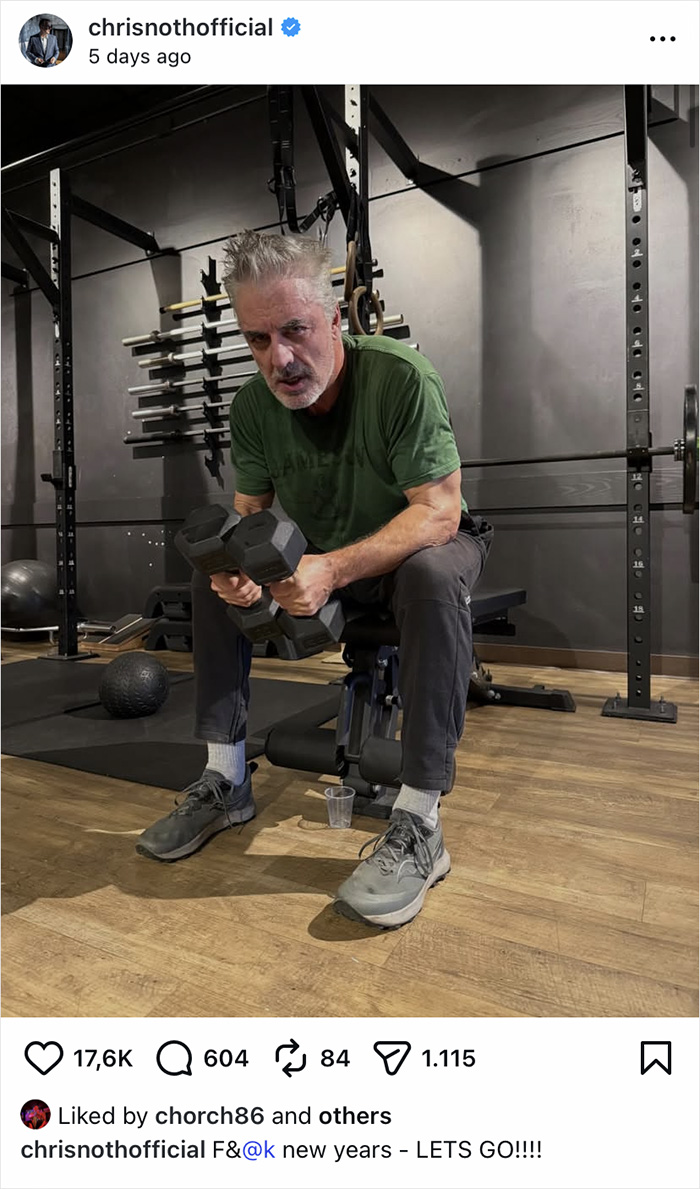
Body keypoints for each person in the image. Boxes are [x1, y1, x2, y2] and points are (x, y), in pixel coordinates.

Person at [137, 232, 493, 928]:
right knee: (209, 579)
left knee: (428, 574)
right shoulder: (251, 410)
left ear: (334, 321)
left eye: (295, 331)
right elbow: (248, 520)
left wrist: (328, 568)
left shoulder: (400, 377)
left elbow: (439, 512)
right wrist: (238, 579)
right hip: (329, 552)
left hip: (417, 547)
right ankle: (225, 778)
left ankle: (420, 821)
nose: (281, 358)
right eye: (259, 339)